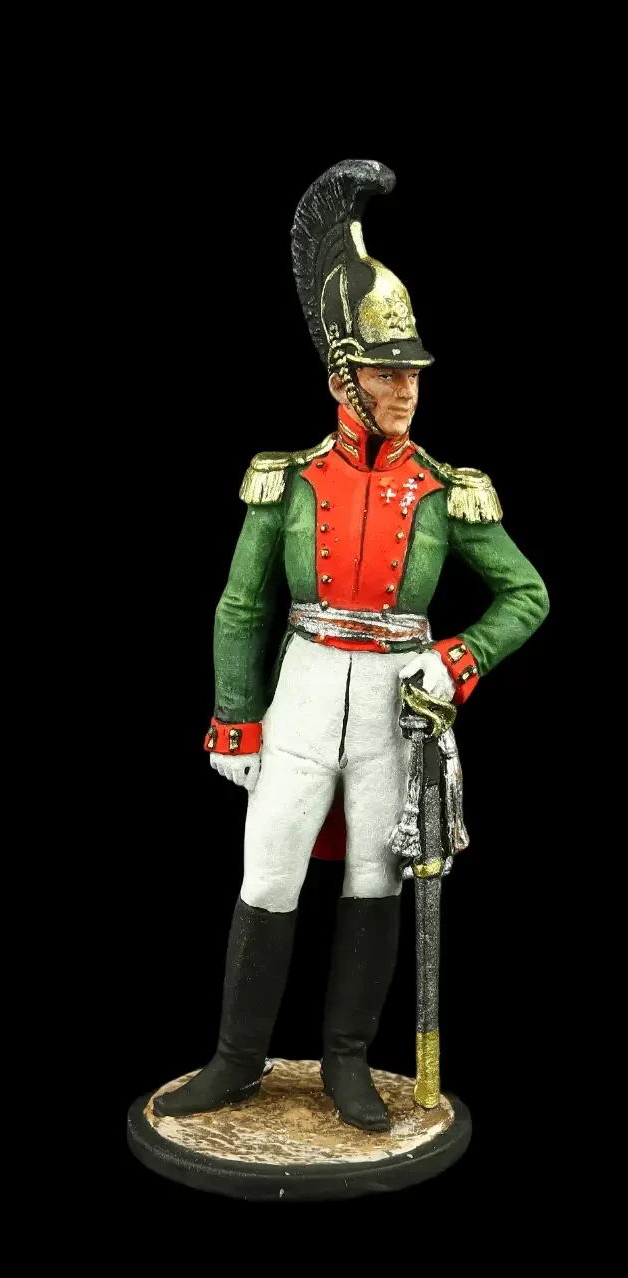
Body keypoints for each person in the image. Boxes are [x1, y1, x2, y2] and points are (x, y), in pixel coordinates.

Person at [154, 160, 549, 1132]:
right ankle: (236, 1058)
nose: (405, 389)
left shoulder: (444, 489)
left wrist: (454, 658)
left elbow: (525, 593)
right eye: (385, 372)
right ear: (344, 380)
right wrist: (235, 717)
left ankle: (344, 1061)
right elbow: (241, 606)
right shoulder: (286, 481)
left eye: (410, 373)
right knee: (267, 870)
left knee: (374, 880)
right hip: (301, 689)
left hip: (390, 703)